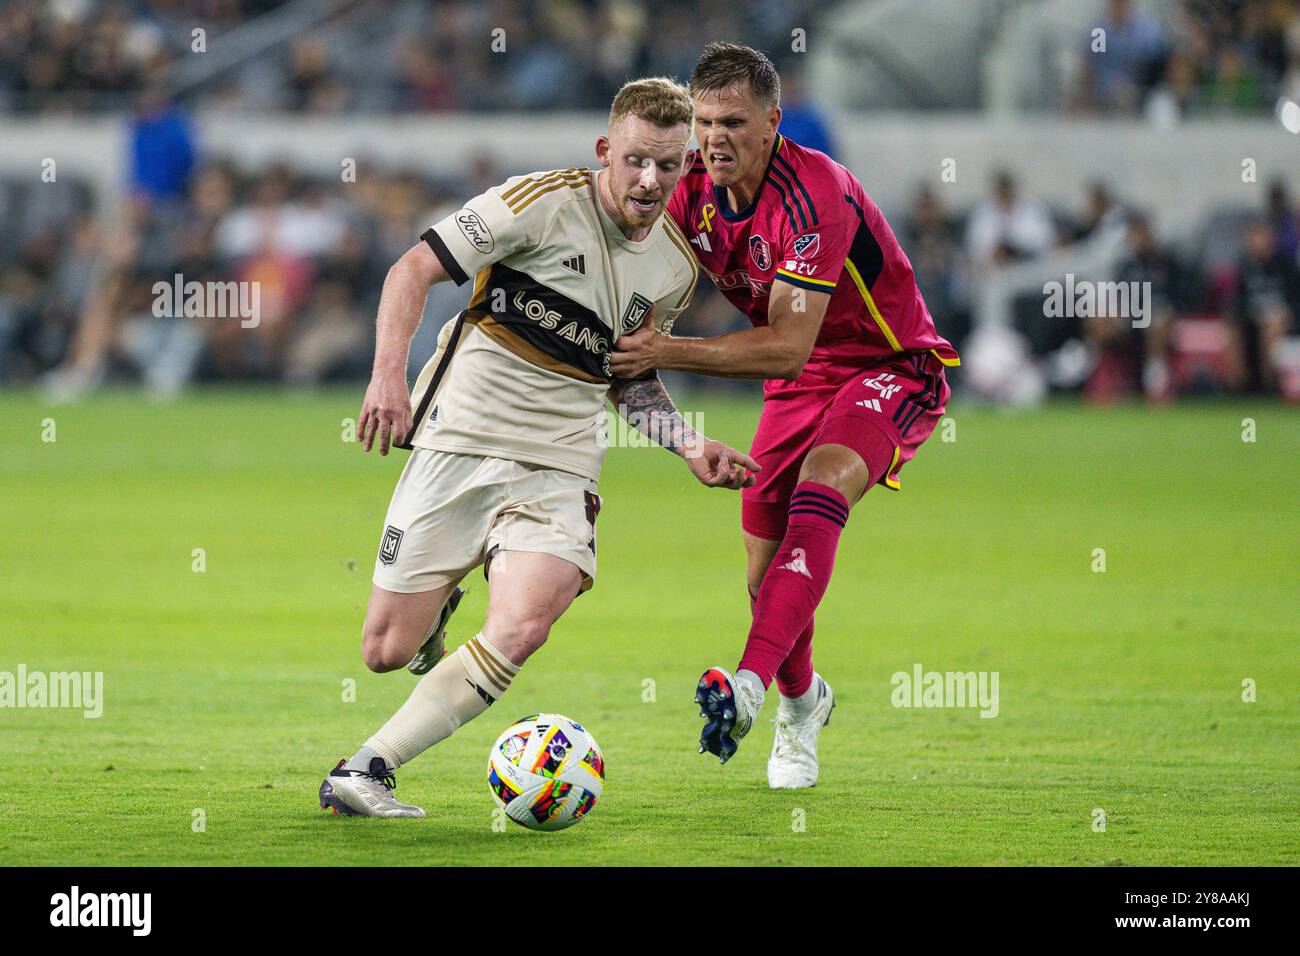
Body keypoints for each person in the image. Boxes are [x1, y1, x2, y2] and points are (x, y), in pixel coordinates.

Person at [319, 77, 759, 818]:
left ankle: (365, 770)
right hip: (460, 439)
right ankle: (439, 607)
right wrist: (387, 380)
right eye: (636, 161)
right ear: (604, 152)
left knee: (525, 623)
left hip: (560, 461)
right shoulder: (537, 201)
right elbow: (413, 270)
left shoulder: (676, 269)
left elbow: (631, 381)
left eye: (669, 166)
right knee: (385, 650)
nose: (650, 181)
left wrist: (688, 444)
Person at [610, 44, 958, 789]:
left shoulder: (814, 192)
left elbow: (789, 347)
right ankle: (804, 702)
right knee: (763, 578)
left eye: (733, 121)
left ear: (773, 121)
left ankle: (747, 686)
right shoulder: (690, 188)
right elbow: (629, 264)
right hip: (794, 385)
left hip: (886, 363)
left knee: (823, 487)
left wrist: (665, 349)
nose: (714, 138)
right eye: (704, 121)